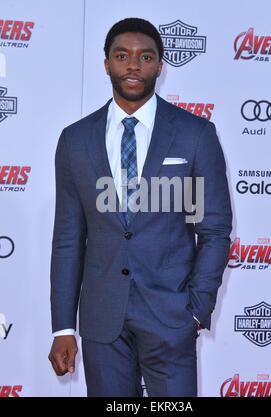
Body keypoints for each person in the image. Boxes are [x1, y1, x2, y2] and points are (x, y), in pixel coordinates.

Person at [48, 17, 232, 397]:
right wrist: (63, 327)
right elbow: (68, 239)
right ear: (106, 64)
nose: (133, 65)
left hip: (170, 317)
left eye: (145, 56)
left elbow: (212, 231)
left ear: (160, 65)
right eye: (122, 55)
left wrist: (196, 310)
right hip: (102, 322)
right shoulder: (75, 141)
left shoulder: (194, 135)